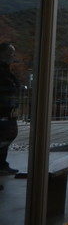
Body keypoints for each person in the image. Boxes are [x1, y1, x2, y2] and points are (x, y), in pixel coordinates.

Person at [0, 43, 20, 177]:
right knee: (6, 135)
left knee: (7, 135)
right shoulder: (4, 72)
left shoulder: (6, 70)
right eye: (11, 54)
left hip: (7, 108)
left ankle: (2, 164)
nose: (13, 57)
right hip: (4, 109)